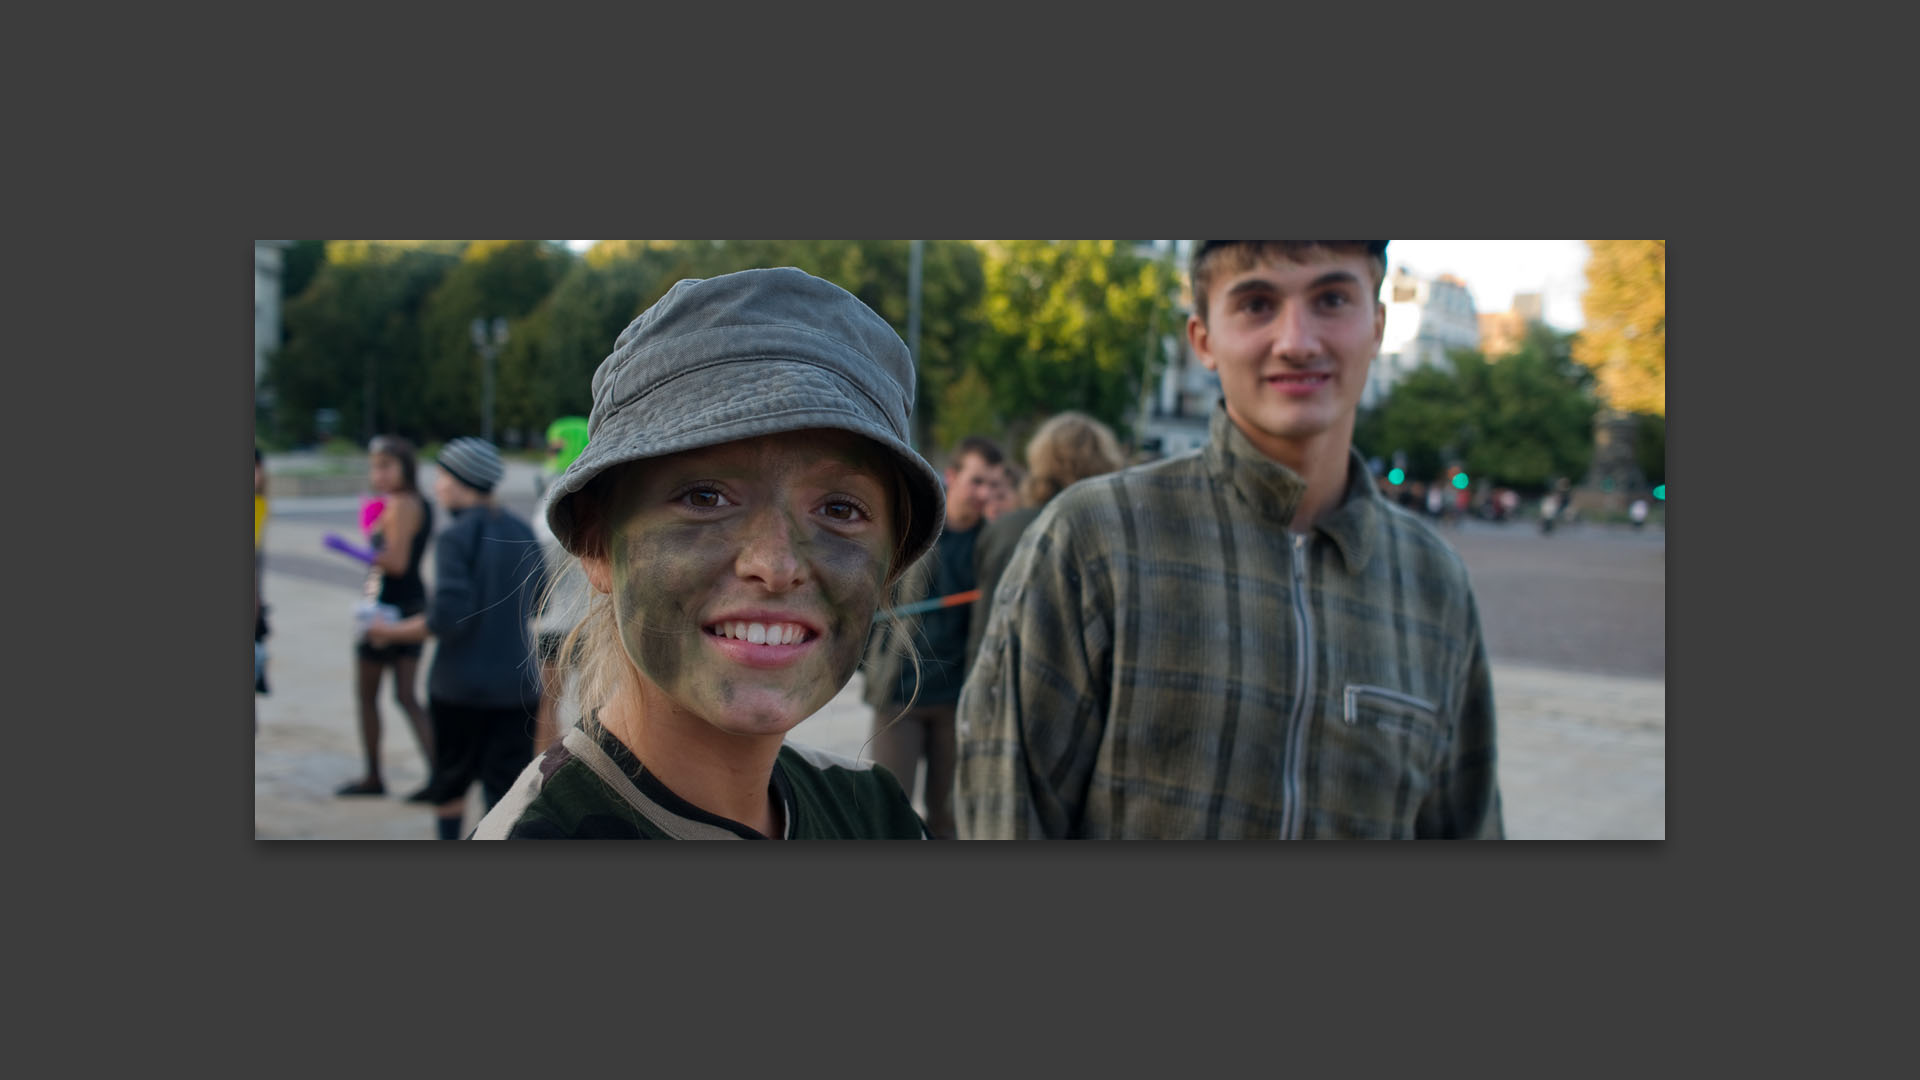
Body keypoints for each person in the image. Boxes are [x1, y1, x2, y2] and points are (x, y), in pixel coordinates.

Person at [956, 240, 1502, 839]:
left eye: (1332, 299)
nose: (1297, 341)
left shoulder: (1434, 585)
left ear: (1376, 325)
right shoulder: (1095, 541)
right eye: (1257, 304)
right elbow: (1004, 813)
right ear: (1203, 339)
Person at [470, 267, 945, 839]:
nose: (775, 565)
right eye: (705, 497)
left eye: (840, 510)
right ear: (596, 543)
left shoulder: (876, 816)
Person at [366, 437, 542, 838]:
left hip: (459, 688)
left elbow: (447, 619)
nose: (436, 486)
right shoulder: (520, 530)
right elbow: (537, 606)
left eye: (442, 476)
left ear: (463, 481)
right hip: (517, 687)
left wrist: (386, 631)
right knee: (507, 795)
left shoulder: (455, 537)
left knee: (451, 785)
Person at [860, 433, 1004, 839]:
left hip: (956, 699)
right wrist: (869, 662)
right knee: (889, 815)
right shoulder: (916, 527)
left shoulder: (992, 541)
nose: (985, 493)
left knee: (949, 819)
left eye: (993, 484)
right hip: (900, 694)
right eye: (977, 481)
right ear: (953, 476)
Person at [964, 410, 1126, 670]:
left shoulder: (1010, 529)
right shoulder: (1116, 535)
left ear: (1040, 462)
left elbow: (986, 625)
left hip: (1014, 683)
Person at [337, 435, 435, 798]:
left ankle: (374, 776)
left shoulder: (400, 503)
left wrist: (352, 550)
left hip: (388, 607)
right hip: (408, 602)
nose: (377, 474)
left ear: (404, 467)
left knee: (371, 695)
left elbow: (396, 563)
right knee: (406, 696)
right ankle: (438, 775)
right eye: (373, 466)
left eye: (385, 466)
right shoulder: (411, 502)